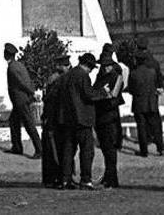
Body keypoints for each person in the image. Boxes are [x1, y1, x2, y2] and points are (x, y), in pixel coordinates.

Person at [59, 52, 109, 190]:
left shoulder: (67, 75)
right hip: (82, 119)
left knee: (68, 150)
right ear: (89, 66)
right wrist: (103, 92)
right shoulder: (83, 76)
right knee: (87, 151)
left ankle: (65, 179)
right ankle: (85, 180)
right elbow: (89, 95)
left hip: (68, 119)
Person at [4, 42, 41, 158]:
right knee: (13, 121)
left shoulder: (12, 68)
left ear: (6, 55)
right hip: (20, 100)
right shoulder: (19, 65)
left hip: (20, 100)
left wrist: (32, 92)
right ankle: (17, 147)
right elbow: (27, 80)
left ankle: (39, 149)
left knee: (29, 124)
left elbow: (22, 82)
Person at [128, 50, 164, 157]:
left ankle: (144, 151)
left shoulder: (133, 73)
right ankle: (161, 149)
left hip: (139, 104)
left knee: (141, 128)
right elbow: (157, 84)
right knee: (156, 128)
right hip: (152, 103)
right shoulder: (152, 72)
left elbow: (130, 90)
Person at [94, 51, 124, 188]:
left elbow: (114, 96)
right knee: (106, 150)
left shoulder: (116, 77)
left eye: (107, 65)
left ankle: (112, 179)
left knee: (110, 150)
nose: (105, 68)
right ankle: (108, 176)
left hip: (110, 117)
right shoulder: (101, 77)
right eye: (103, 65)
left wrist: (102, 94)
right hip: (101, 117)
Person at [41, 54, 71, 188]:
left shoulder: (52, 79)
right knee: (57, 149)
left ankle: (53, 177)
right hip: (57, 119)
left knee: (54, 148)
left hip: (53, 118)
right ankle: (58, 176)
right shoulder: (59, 80)